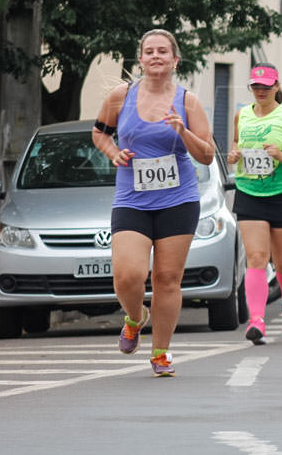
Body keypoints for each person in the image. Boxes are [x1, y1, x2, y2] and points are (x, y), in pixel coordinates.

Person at [92, 29, 215, 377]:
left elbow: (207, 155)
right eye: (149, 51)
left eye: (163, 51)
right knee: (128, 275)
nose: (156, 56)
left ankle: (161, 352)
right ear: (141, 59)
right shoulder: (121, 96)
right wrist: (113, 152)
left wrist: (182, 131)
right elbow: (99, 132)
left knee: (167, 279)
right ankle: (134, 316)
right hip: (132, 199)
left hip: (178, 199)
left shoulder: (187, 101)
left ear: (175, 60)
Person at [226, 64, 282, 344]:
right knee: (255, 257)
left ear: (277, 86)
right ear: (250, 88)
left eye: (267, 86)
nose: (261, 91)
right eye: (256, 86)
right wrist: (234, 155)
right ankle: (257, 320)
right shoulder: (241, 115)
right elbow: (236, 146)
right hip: (249, 191)